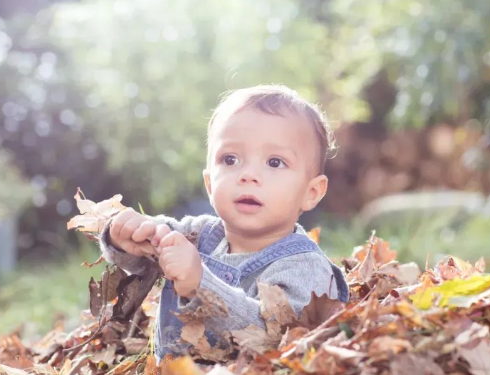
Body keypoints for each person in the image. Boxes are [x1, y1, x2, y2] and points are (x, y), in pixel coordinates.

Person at [99, 84, 350, 362]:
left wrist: (201, 286)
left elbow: (279, 340)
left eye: (275, 162)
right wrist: (125, 237)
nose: (248, 175)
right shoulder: (198, 234)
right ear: (209, 183)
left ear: (310, 192)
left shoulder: (305, 268)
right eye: (230, 159)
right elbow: (143, 256)